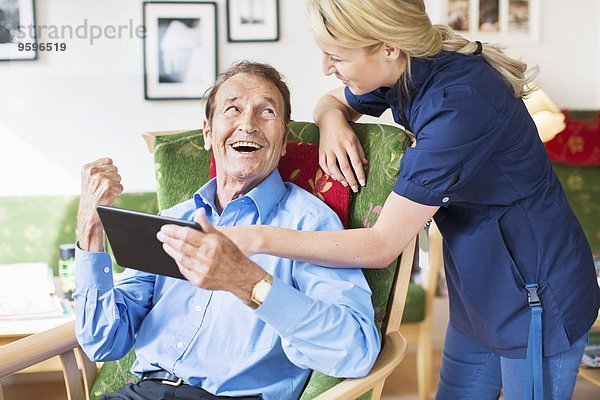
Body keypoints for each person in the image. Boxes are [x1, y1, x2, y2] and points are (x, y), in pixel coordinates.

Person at [217, 1, 600, 399]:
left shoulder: (458, 103)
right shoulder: (407, 68)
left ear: (387, 47)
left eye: (336, 57)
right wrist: (330, 120)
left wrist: (257, 238)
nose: (326, 67)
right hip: (477, 288)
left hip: (534, 291)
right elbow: (332, 99)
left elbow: (381, 245)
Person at [74, 61, 380, 400]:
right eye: (232, 109)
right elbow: (102, 340)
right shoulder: (173, 220)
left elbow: (357, 349)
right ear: (208, 132)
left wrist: (247, 283)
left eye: (266, 112)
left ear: (283, 142)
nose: (247, 124)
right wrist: (90, 228)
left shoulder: (310, 224)